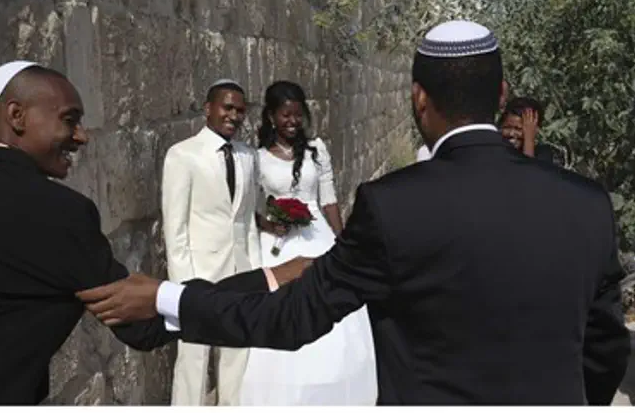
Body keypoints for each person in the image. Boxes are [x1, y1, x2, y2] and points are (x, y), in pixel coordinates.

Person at [78, 21, 632, 405]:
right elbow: (605, 349)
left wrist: (166, 297)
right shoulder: (585, 205)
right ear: (502, 92)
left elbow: (293, 318)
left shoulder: (395, 206)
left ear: (418, 98)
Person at [0, 62, 303, 405]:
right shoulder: (58, 213)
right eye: (70, 120)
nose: (82, 137)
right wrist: (268, 282)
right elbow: (144, 327)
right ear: (17, 116)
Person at [238, 80, 377, 405]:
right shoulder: (257, 158)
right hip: (278, 242)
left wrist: (343, 242)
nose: (292, 122)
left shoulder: (317, 149)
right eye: (285, 115)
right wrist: (270, 222)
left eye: (298, 115)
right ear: (271, 116)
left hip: (317, 237)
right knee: (279, 308)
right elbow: (247, 209)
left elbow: (328, 199)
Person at [160, 79, 262, 405]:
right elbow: (175, 229)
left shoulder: (248, 156)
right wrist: (182, 285)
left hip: (240, 270)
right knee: (193, 359)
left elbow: (245, 221)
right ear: (208, 108)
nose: (234, 115)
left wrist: (256, 271)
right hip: (198, 274)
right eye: (227, 107)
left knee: (237, 356)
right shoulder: (183, 155)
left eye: (241, 111)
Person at [499, 97, 563, 165]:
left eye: (518, 129)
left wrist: (529, 140)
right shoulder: (495, 149)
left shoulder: (543, 153)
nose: (511, 133)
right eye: (506, 127)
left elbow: (529, 172)